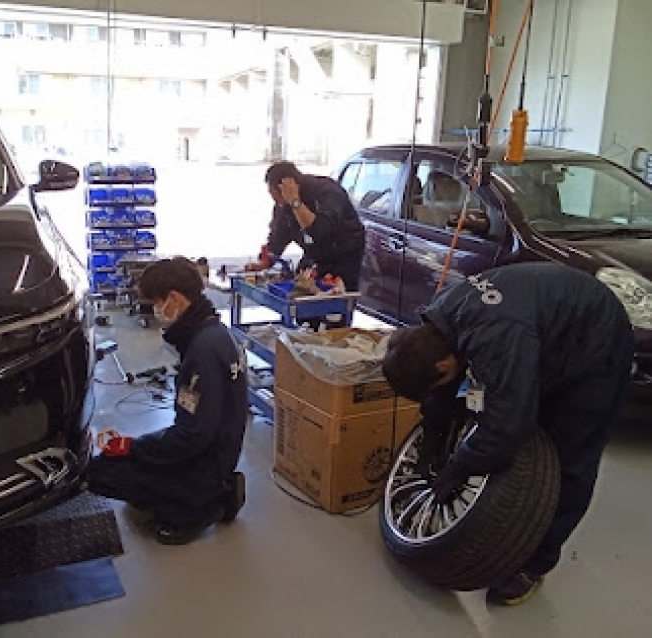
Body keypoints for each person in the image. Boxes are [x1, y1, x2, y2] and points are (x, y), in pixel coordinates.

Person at [381, 262, 634, 606]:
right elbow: (445, 392)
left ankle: (535, 565)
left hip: (597, 345)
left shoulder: (495, 339)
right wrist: (433, 434)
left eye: (435, 381)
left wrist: (460, 466)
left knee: (569, 459)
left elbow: (506, 428)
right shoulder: (439, 319)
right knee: (518, 409)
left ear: (442, 365)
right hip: (545, 330)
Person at [87, 257, 249, 545]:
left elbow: (191, 437)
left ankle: (202, 506)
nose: (156, 311)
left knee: (102, 474)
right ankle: (206, 490)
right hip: (218, 448)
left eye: (156, 303)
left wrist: (133, 447)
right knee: (129, 459)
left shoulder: (202, 351)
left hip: (205, 461)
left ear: (174, 298)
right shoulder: (215, 332)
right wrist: (137, 446)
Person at [245, 161, 366, 292]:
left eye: (277, 197)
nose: (278, 203)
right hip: (313, 253)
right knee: (300, 289)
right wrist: (266, 260)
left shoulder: (327, 192)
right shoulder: (284, 204)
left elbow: (319, 230)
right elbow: (279, 234)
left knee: (335, 297)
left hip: (343, 254)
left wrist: (295, 202)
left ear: (286, 188)